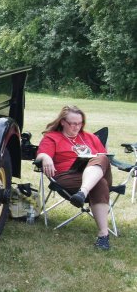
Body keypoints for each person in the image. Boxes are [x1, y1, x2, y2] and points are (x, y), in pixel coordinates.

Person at [35, 105, 112, 250]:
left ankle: (82, 193)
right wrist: (46, 157)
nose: (77, 127)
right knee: (100, 184)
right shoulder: (52, 137)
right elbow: (41, 154)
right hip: (68, 176)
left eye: (80, 123)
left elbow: (104, 158)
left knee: (101, 157)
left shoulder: (90, 137)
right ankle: (103, 235)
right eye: (73, 123)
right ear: (63, 122)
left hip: (94, 173)